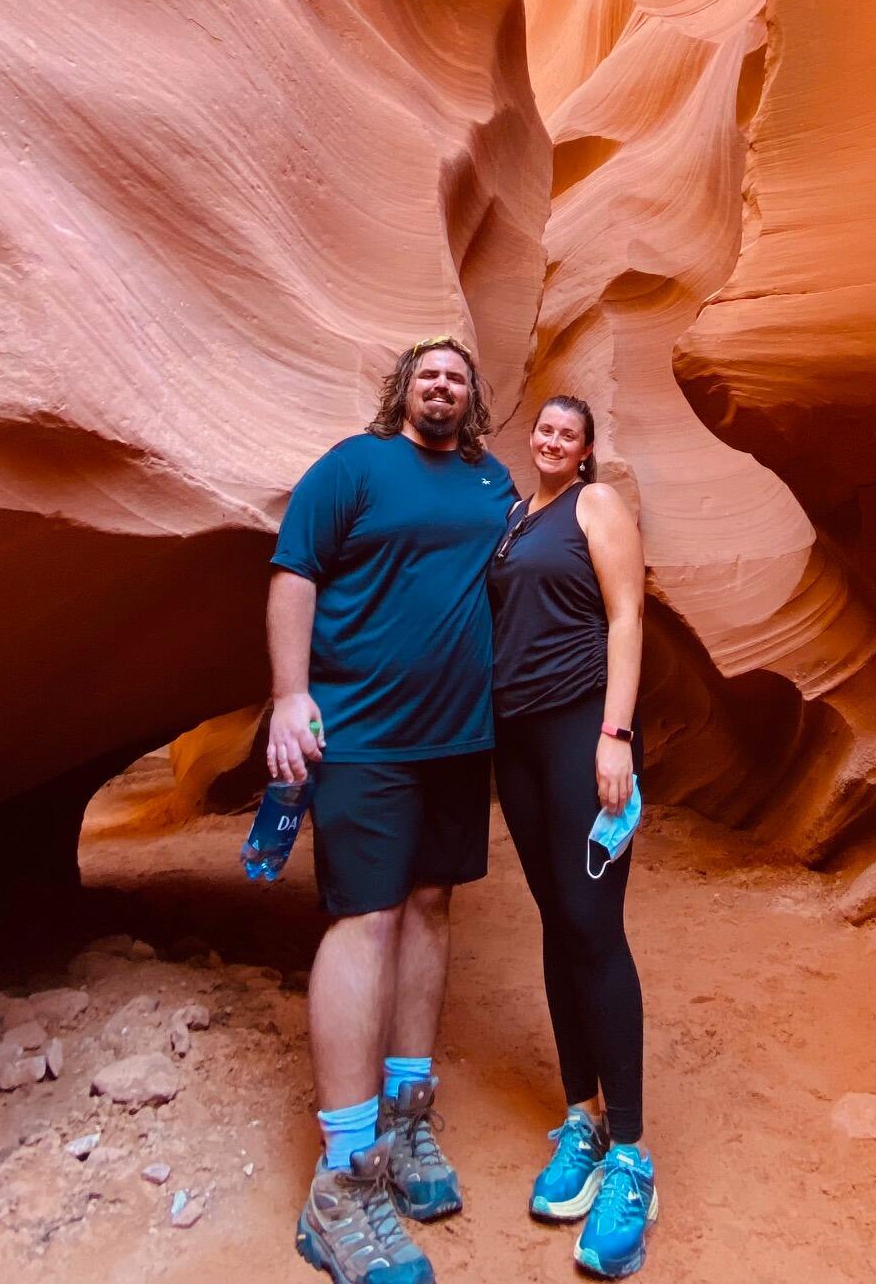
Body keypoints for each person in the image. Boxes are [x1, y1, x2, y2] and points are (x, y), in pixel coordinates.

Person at [267, 335, 517, 1284]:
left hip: (458, 741)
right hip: (364, 736)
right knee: (363, 919)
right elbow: (294, 573)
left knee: (430, 905)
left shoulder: (494, 486)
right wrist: (292, 698)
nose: (442, 386)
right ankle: (342, 1174)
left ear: (473, 398)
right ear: (404, 392)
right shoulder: (354, 466)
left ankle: (407, 1124)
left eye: (457, 377)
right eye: (428, 375)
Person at [487, 394, 657, 1279]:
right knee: (558, 923)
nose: (553, 441)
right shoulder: (518, 518)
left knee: (594, 928)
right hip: (516, 740)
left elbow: (627, 614)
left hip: (580, 732)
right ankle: (580, 1117)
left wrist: (615, 735)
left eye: (569, 433)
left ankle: (629, 1152)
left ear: (586, 450)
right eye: (544, 430)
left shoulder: (596, 506)